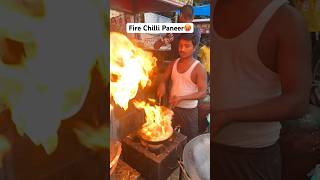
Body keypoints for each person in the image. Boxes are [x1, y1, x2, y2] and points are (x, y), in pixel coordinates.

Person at [212, 0, 312, 180]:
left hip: (253, 156)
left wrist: (228, 116)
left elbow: (298, 101)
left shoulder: (286, 19)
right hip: (208, 147)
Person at [157, 33, 207, 141]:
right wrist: (162, 85)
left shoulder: (198, 68)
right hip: (172, 108)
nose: (182, 49)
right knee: (169, 137)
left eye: (187, 46)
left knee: (190, 140)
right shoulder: (173, 63)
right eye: (180, 45)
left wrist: (181, 98)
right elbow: (164, 79)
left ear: (194, 48)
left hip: (189, 111)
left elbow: (203, 93)